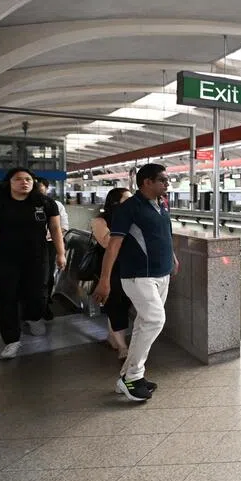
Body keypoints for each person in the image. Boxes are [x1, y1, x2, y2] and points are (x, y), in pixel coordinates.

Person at [93, 163, 177, 402]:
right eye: (162, 180)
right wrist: (104, 280)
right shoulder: (128, 208)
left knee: (143, 324)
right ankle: (133, 376)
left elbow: (164, 234)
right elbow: (113, 246)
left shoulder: (160, 205)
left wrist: (172, 257)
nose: (167, 183)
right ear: (146, 182)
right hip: (137, 275)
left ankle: (129, 375)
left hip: (161, 274)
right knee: (155, 320)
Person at [0, 168, 65, 359]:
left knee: (37, 293)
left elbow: (55, 229)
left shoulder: (45, 203)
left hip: (37, 257)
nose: (24, 182)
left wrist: (61, 253)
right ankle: (11, 339)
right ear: (8, 183)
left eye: (28, 179)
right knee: (7, 297)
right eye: (18, 179)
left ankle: (33, 317)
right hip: (5, 258)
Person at [91, 187, 133, 359]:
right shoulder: (100, 221)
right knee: (115, 305)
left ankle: (113, 336)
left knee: (122, 304)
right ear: (115, 202)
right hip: (109, 268)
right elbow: (108, 243)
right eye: (127, 199)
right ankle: (123, 347)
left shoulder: (132, 217)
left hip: (128, 266)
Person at [36, 177, 70, 319]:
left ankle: (44, 305)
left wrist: (60, 252)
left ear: (46, 189)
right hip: (30, 244)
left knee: (47, 275)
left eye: (41, 188)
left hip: (49, 244)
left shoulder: (55, 205)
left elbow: (62, 227)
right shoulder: (22, 205)